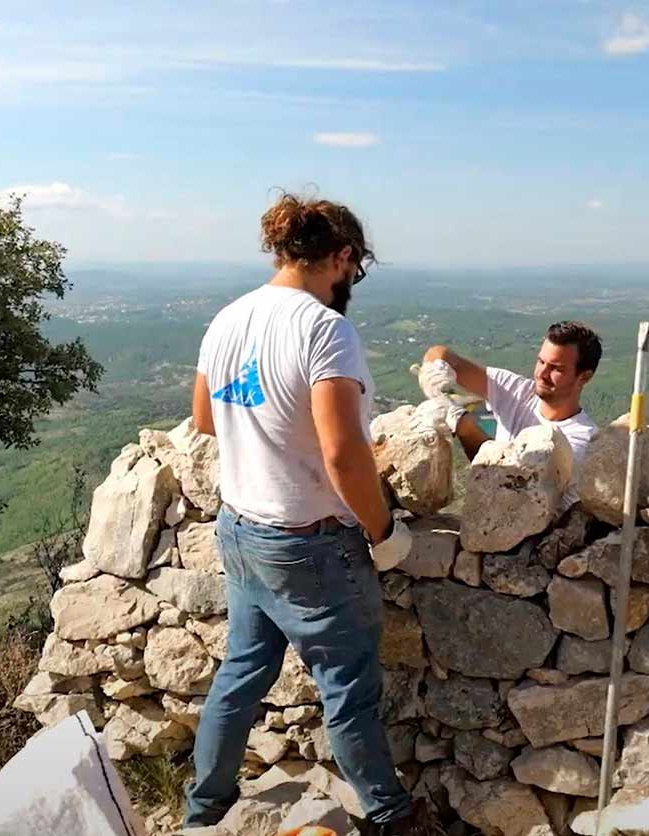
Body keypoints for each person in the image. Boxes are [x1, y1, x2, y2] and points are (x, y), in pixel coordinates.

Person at [184, 193, 438, 834]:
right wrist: (384, 531)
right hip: (309, 540)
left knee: (241, 672)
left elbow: (204, 419)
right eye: (353, 270)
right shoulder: (326, 330)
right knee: (347, 686)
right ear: (343, 256)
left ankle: (201, 813)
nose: (349, 284)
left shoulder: (228, 319)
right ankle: (389, 814)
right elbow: (342, 453)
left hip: (240, 527)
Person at [418, 321, 601, 505]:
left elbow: (512, 497)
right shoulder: (518, 391)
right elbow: (440, 354)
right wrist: (436, 370)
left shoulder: (580, 442)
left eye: (556, 368)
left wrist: (464, 426)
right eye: (541, 361)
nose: (542, 373)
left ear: (584, 377)